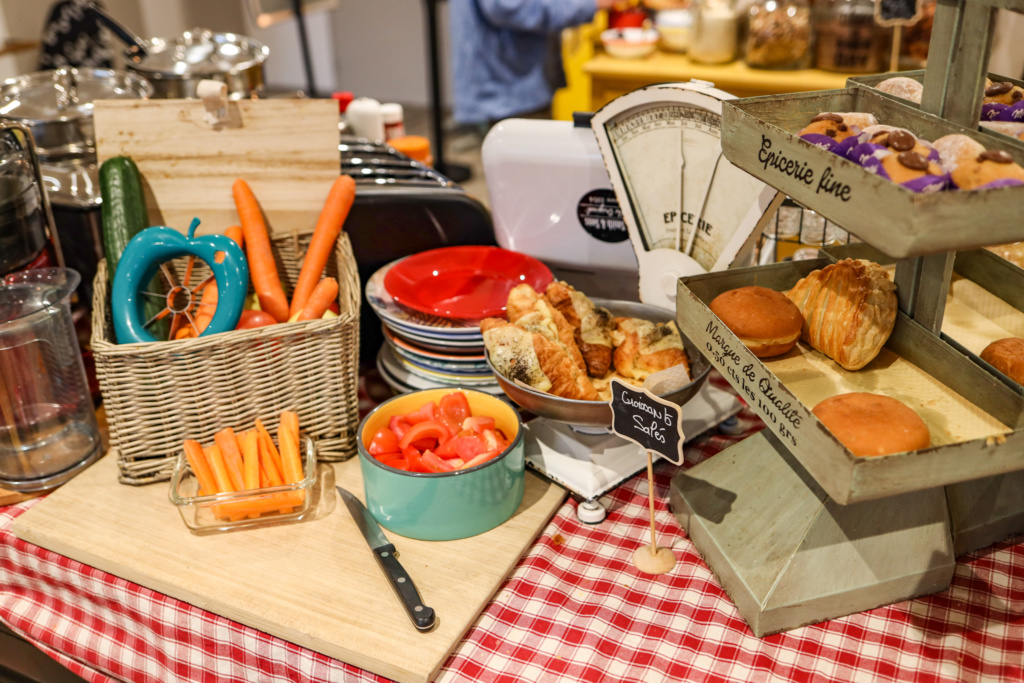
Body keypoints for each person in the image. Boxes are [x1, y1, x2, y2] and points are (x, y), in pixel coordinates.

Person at [449, 0, 615, 127]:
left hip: (514, 82)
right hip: (508, 85)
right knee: (523, 166)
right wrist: (590, 3)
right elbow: (512, 8)